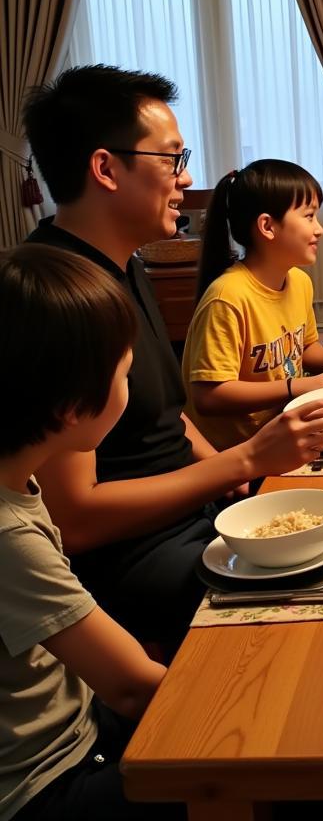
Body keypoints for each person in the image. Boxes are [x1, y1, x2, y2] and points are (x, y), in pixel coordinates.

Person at [22, 65, 323, 653]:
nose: (186, 176)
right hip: (138, 558)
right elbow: (74, 518)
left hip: (199, 511)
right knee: (320, 619)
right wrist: (240, 462)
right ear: (105, 168)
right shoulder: (58, 298)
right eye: (172, 159)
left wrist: (233, 480)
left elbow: (170, 414)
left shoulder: (124, 263)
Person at [0, 244, 183, 821]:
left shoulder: (18, 475)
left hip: (79, 714)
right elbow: (132, 685)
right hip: (50, 777)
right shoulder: (9, 539)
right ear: (75, 406)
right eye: (125, 373)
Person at [183, 160, 323, 451]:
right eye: (309, 216)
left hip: (284, 427)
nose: (320, 229)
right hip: (239, 451)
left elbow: (306, 349)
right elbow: (209, 396)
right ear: (267, 226)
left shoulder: (299, 282)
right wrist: (295, 387)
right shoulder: (227, 297)